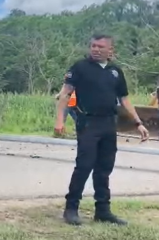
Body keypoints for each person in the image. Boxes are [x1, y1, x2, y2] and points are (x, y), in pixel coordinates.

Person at [54, 34, 150, 226]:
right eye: (93, 46)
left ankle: (103, 211)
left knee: (104, 168)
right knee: (84, 166)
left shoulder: (115, 72)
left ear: (110, 50)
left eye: (100, 46)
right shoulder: (80, 67)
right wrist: (59, 121)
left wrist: (138, 123)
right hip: (88, 123)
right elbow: (64, 95)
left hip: (108, 123)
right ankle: (71, 208)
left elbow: (124, 100)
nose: (96, 49)